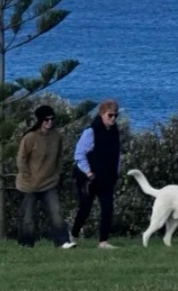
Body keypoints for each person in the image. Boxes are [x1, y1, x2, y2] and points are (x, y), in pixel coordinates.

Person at [64, 99, 122, 249]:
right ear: (102, 114)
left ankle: (103, 241)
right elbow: (79, 154)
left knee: (108, 208)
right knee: (85, 209)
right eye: (110, 115)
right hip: (88, 178)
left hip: (107, 178)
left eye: (116, 115)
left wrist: (117, 172)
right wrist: (88, 172)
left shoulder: (114, 132)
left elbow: (116, 155)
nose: (113, 118)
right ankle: (73, 235)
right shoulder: (91, 131)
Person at [15, 104, 70, 248]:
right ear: (40, 121)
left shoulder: (56, 137)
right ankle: (26, 245)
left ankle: (63, 242)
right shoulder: (30, 137)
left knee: (56, 214)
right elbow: (21, 159)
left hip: (49, 183)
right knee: (27, 219)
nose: (50, 122)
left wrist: (57, 174)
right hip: (28, 186)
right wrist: (28, 177)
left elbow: (59, 157)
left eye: (52, 119)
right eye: (46, 119)